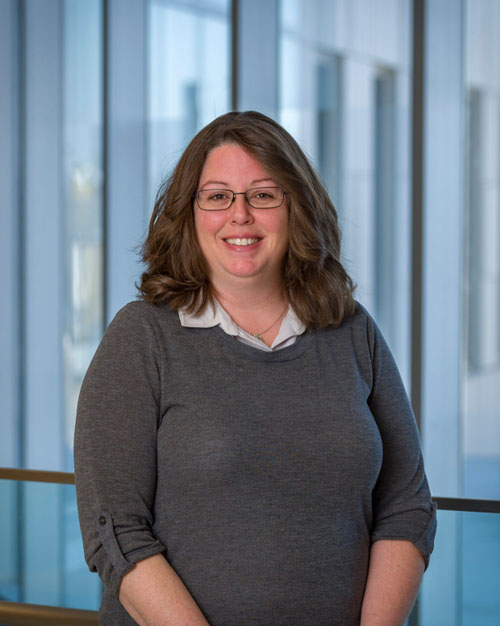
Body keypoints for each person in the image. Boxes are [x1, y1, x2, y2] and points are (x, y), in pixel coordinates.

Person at [74, 110, 436, 626]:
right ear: (190, 212)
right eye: (217, 196)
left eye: (263, 195)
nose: (239, 215)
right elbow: (115, 530)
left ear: (297, 209)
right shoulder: (142, 337)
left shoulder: (352, 330)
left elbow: (406, 505)